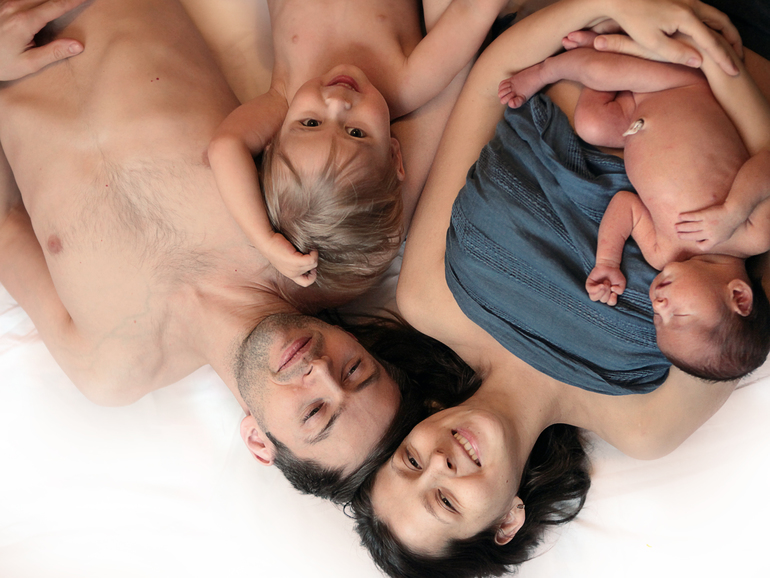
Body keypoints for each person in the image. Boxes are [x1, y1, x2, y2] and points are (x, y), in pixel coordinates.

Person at [346, 0, 770, 576]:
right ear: (507, 521)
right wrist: (721, 66)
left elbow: (487, 89)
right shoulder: (643, 424)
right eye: (445, 501)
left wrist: (613, 6)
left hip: (592, 26)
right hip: (744, 54)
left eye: (411, 460)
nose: (439, 462)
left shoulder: (428, 300)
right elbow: (754, 262)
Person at [0, 0, 469, 503]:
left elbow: (5, 224)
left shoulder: (107, 368)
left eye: (315, 412)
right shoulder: (328, 246)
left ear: (258, 441)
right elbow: (447, 82)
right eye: (355, 370)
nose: (320, 371)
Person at [498, 38, 770, 381]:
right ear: (739, 297)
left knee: (591, 124)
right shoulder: (752, 235)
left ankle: (606, 47)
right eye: (678, 317)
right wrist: (732, 211)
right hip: (683, 86)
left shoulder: (662, 253)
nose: (659, 307)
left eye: (658, 321)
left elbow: (625, 206)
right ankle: (547, 70)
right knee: (600, 72)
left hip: (633, 121)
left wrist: (607, 262)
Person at [207, 0, 509, 297]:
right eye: (356, 132)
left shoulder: (284, 98)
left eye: (311, 123)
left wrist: (266, 240)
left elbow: (226, 147)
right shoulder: (410, 82)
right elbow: (472, 9)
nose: (337, 102)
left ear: (272, 139)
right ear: (394, 155)